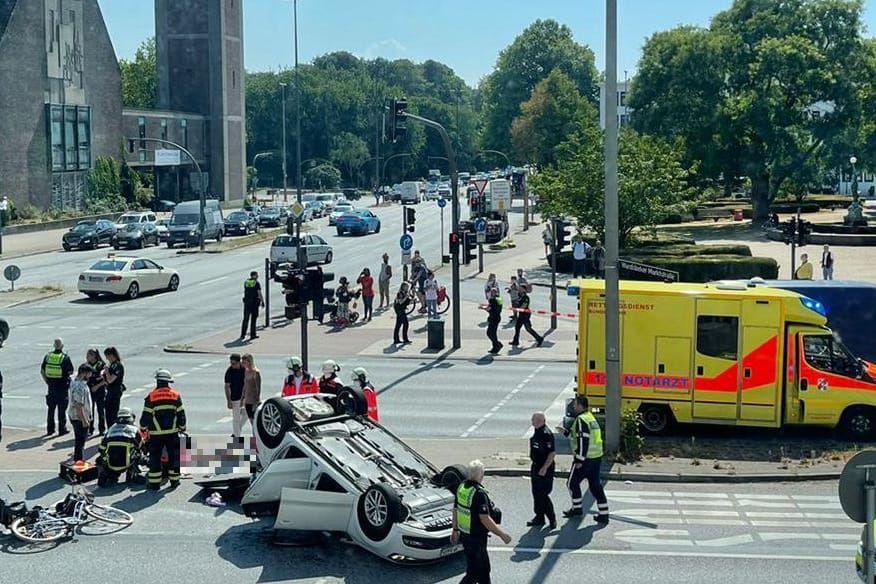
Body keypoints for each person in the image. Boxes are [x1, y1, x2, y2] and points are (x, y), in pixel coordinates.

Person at [450, 460, 512, 584]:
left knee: (473, 571)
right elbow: (485, 519)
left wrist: (455, 530)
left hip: (465, 536)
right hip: (476, 539)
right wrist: (502, 535)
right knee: (482, 572)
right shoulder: (479, 494)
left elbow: (456, 510)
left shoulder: (462, 487)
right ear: (481, 475)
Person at [562, 396, 609, 524]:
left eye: (575, 404)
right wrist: (566, 432)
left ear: (580, 406)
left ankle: (577, 509)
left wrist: (579, 460)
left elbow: (583, 440)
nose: (574, 407)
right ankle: (604, 513)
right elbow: (582, 435)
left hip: (585, 459)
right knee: (595, 486)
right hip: (596, 458)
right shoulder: (590, 417)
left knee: (572, 483)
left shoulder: (581, 419)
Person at [140, 369, 186, 490]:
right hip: (172, 433)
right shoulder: (175, 395)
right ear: (168, 382)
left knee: (155, 457)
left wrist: (143, 427)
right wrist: (182, 427)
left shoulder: (151, 396)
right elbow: (181, 414)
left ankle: (154, 483)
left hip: (156, 434)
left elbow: (146, 415)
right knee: (173, 457)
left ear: (157, 381)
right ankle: (175, 481)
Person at [97, 407, 144, 486]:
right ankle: (133, 471)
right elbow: (140, 446)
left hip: (111, 464)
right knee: (139, 452)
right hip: (127, 462)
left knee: (100, 459)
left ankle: (110, 474)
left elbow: (101, 449)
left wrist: (105, 461)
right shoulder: (134, 430)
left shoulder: (110, 430)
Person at [527, 411, 557, 528]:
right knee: (536, 494)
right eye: (532, 419)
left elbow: (552, 453)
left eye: (534, 420)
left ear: (541, 421)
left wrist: (544, 468)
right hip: (536, 466)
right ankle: (539, 517)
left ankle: (552, 518)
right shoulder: (537, 432)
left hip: (545, 468)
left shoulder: (546, 434)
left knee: (543, 495)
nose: (532, 422)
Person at [41, 338, 74, 435]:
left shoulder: (48, 356)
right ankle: (62, 429)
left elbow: (42, 371)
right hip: (62, 387)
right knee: (61, 409)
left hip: (51, 386)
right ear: (62, 346)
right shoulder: (64, 358)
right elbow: (71, 371)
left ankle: (50, 429)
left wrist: (47, 381)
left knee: (51, 409)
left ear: (54, 346)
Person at [67, 364, 93, 462]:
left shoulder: (77, 382)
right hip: (78, 418)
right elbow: (78, 405)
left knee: (80, 440)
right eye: (89, 374)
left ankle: (78, 460)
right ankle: (78, 461)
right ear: (84, 373)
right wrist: (84, 420)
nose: (90, 376)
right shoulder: (79, 386)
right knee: (80, 441)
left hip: (78, 416)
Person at [224, 353, 246, 440]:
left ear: (239, 362)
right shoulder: (229, 371)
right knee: (236, 418)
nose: (232, 365)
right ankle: (237, 437)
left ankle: (236, 431)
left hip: (245, 396)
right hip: (235, 397)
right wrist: (228, 401)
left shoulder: (244, 369)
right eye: (231, 363)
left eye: (234, 363)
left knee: (246, 414)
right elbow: (227, 386)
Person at [86, 348, 107, 435]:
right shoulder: (86, 365)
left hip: (99, 390)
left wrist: (97, 386)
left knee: (100, 410)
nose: (87, 357)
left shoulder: (101, 365)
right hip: (89, 390)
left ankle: (102, 429)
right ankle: (90, 429)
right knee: (90, 411)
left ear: (94, 356)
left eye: (88, 355)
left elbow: (105, 379)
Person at [103, 346, 125, 427]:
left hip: (115, 391)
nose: (107, 358)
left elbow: (110, 380)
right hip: (109, 391)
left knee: (113, 412)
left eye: (107, 356)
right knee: (108, 412)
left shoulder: (118, 366)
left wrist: (107, 371)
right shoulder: (112, 365)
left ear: (112, 355)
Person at [240, 271, 264, 341]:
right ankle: (252, 335)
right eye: (257, 275)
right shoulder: (256, 283)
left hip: (247, 303)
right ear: (254, 276)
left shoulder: (246, 282)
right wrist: (262, 301)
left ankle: (242, 334)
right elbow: (259, 293)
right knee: (253, 319)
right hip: (254, 304)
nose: (258, 276)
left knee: (245, 319)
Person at [481, 287, 503, 354]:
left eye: (493, 292)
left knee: (490, 333)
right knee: (493, 333)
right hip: (497, 317)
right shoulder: (499, 299)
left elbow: (489, 309)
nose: (492, 293)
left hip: (493, 317)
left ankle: (497, 345)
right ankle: (496, 346)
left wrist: (482, 308)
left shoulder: (492, 300)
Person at [242, 354, 262, 425]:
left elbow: (258, 388)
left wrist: (256, 402)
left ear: (249, 362)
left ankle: (255, 436)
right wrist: (242, 398)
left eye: (244, 362)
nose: (243, 364)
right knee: (251, 422)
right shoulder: (246, 371)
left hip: (254, 401)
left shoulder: (255, 372)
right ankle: (254, 436)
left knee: (256, 423)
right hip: (247, 400)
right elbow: (245, 386)